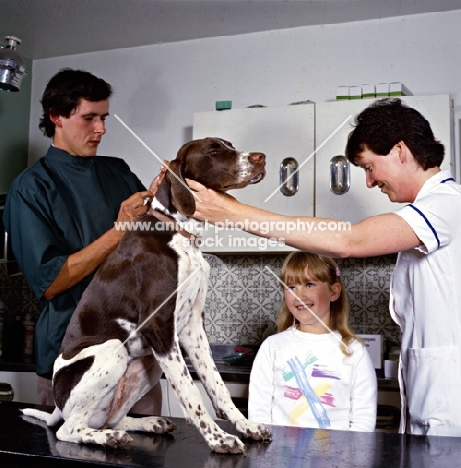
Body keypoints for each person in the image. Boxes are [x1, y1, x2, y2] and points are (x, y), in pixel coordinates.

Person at [187, 98, 461, 437]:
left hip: (449, 412)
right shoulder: (430, 212)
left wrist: (235, 214)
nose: (370, 182)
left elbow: (350, 241)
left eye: (368, 167)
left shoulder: (448, 205)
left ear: (400, 150)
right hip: (434, 408)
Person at [3, 68, 163, 414]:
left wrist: (165, 204)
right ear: (56, 116)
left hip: (136, 357)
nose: (101, 129)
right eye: (89, 118)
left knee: (147, 456)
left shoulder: (118, 171)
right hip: (73, 358)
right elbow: (51, 282)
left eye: (103, 117)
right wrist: (119, 230)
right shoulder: (31, 188)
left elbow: (150, 244)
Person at [248, 252, 377, 431]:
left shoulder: (354, 351)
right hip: (280, 457)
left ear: (333, 291)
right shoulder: (272, 347)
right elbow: (258, 415)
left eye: (309, 284)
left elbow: (363, 421)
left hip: (339, 458)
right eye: (291, 287)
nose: (299, 295)